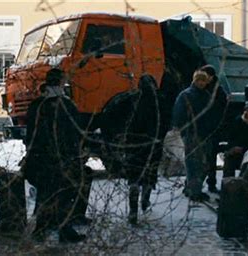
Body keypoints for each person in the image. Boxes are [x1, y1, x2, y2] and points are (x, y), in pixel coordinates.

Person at [22, 68, 86, 243]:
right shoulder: (67, 105)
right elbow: (74, 134)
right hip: (61, 157)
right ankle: (63, 229)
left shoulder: (37, 105)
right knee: (64, 192)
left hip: (40, 157)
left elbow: (30, 134)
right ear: (61, 82)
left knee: (45, 193)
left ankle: (41, 228)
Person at [101, 75, 162, 224]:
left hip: (133, 144)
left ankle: (133, 211)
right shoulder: (158, 101)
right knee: (149, 175)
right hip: (152, 144)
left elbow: (111, 113)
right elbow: (164, 123)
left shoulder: (130, 99)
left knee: (134, 178)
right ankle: (145, 201)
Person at [171, 70, 218, 201]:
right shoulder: (186, 95)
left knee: (201, 163)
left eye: (204, 80)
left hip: (204, 133)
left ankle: (191, 188)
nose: (201, 83)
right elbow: (178, 114)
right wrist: (185, 130)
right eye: (199, 80)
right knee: (194, 163)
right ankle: (194, 191)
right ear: (194, 80)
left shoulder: (205, 95)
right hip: (192, 133)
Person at [200, 65, 228, 193]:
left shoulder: (216, 90)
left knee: (210, 157)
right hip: (208, 127)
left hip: (211, 127)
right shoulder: (213, 89)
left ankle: (210, 183)